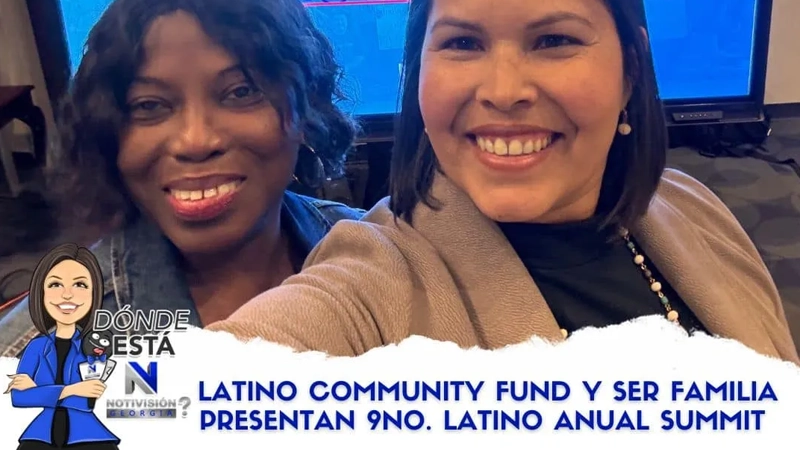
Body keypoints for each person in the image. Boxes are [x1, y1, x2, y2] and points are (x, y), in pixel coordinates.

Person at [206, 0, 799, 364]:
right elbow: (166, 401)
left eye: (554, 40)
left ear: (631, 70)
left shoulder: (691, 206)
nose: (503, 90)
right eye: (463, 43)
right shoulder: (371, 279)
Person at [0, 0, 364, 356]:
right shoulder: (33, 361)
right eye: (149, 105)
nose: (195, 141)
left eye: (241, 92)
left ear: (307, 108)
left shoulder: (387, 259)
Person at [5, 243, 120, 450]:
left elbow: (87, 400)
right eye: (56, 285)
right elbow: (19, 397)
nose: (67, 295)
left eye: (80, 285)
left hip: (87, 436)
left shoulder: (94, 345)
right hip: (40, 436)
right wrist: (70, 390)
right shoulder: (36, 347)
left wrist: (41, 392)